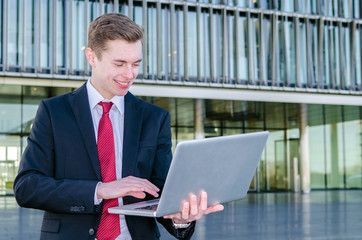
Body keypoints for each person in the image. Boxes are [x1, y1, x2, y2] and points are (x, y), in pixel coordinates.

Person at [13, 13, 223, 240]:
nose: (129, 74)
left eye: (135, 64)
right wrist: (100, 189)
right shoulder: (54, 112)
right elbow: (27, 187)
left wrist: (180, 219)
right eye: (119, 64)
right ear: (91, 57)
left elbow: (162, 193)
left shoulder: (154, 118)